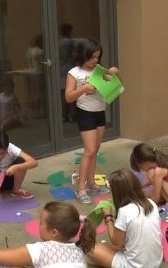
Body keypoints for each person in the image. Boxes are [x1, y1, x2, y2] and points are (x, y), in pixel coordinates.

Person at [65, 38, 119, 204]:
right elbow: (68, 97)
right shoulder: (74, 73)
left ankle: (92, 183)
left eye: (97, 57)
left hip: (100, 112)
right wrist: (83, 88)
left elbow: (112, 85)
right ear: (83, 55)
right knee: (88, 151)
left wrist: (114, 73)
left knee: (95, 150)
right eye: (92, 57)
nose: (95, 60)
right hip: (85, 113)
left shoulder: (98, 70)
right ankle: (81, 189)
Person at [87, 168, 162, 268]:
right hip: (155, 262)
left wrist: (108, 217)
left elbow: (117, 243)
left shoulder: (125, 212)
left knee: (87, 246)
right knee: (107, 246)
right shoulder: (150, 203)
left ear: (117, 192)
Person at [58, 23, 76, 123]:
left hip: (61, 69)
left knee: (62, 94)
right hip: (70, 68)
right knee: (71, 92)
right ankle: (72, 115)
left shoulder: (58, 42)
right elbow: (74, 55)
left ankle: (63, 115)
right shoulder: (70, 42)